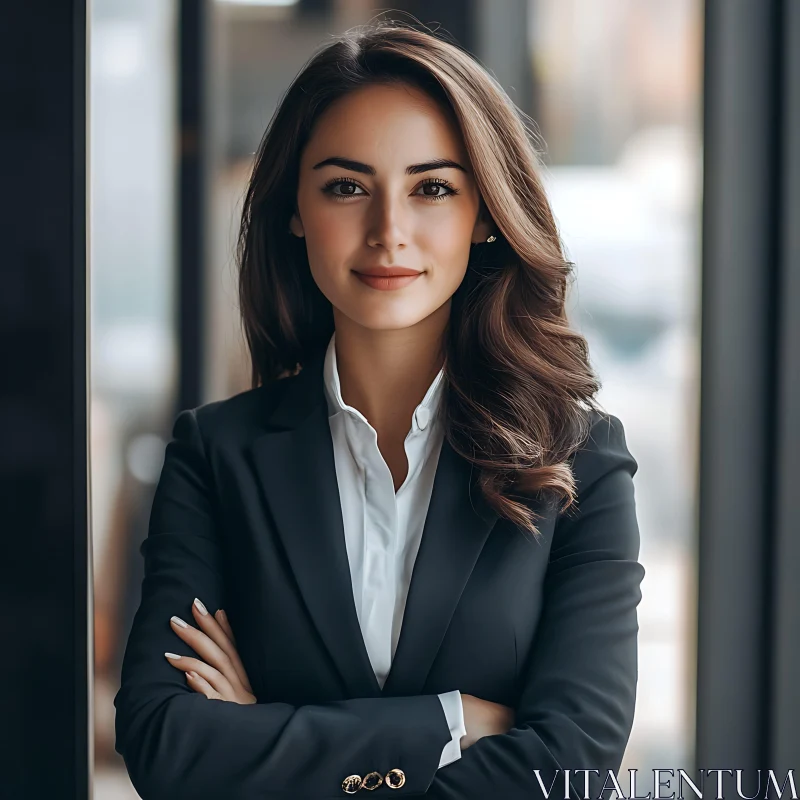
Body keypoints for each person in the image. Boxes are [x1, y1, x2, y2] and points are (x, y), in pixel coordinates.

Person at [114, 19, 645, 800]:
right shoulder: (215, 454)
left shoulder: (581, 463)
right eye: (346, 187)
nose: (388, 231)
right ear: (295, 209)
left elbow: (570, 766)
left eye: (432, 188)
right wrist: (451, 722)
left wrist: (267, 734)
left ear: (486, 213)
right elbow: (164, 743)